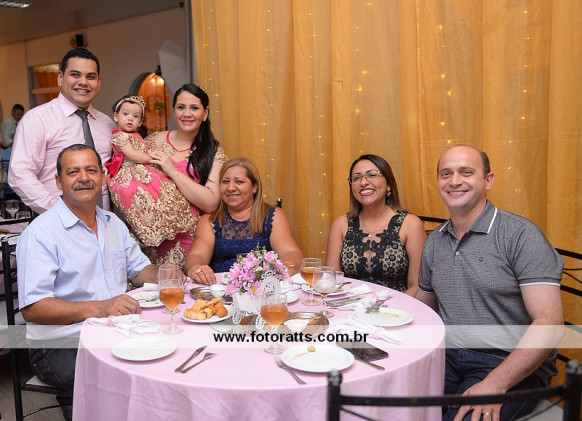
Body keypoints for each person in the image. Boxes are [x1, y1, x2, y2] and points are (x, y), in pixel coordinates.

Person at [416, 145, 564, 421]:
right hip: (449, 357)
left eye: (466, 172)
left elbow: (549, 322)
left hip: (508, 363)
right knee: (390, 408)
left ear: (488, 180)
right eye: (446, 174)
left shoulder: (520, 235)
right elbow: (421, 309)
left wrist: (496, 383)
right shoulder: (434, 242)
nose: (454, 181)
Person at [17, 144, 157, 420]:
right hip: (59, 344)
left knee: (163, 354)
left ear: (102, 177)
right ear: (59, 181)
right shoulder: (41, 233)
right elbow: (33, 308)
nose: (84, 178)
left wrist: (169, 275)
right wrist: (102, 308)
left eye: (91, 170)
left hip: (116, 330)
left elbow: (140, 271)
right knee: (122, 373)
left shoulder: (112, 223)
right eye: (73, 172)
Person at [9, 48, 115, 214]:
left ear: (99, 83)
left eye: (90, 77)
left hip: (104, 222)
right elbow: (19, 174)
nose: (83, 82)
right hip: (56, 223)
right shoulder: (38, 119)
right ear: (60, 78)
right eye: (75, 75)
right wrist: (59, 212)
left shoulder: (107, 124)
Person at [184, 157, 303, 285]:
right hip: (222, 290)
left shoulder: (273, 215)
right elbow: (197, 256)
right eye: (225, 182)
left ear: (254, 187)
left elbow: (290, 252)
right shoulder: (209, 219)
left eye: (239, 181)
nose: (230, 188)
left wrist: (288, 267)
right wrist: (196, 268)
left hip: (261, 289)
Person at [145, 83, 227, 267]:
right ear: (174, 111)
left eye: (194, 108)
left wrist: (172, 170)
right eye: (181, 107)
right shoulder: (154, 140)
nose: (187, 114)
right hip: (150, 240)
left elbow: (211, 203)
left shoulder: (213, 151)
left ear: (205, 113)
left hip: (191, 245)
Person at [326, 154, 426, 296]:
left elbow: (416, 286)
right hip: (350, 306)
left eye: (372, 175)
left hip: (396, 307)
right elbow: (332, 281)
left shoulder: (410, 224)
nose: (363, 182)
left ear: (389, 185)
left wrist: (392, 309)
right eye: (356, 178)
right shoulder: (340, 225)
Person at [106, 95, 192, 247]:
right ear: (116, 116)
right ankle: (145, 230)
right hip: (130, 173)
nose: (130, 118)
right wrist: (150, 158)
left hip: (142, 171)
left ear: (140, 122)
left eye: (135, 116)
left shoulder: (136, 135)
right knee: (139, 201)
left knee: (160, 195)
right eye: (125, 114)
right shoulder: (120, 136)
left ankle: (164, 223)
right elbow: (132, 155)